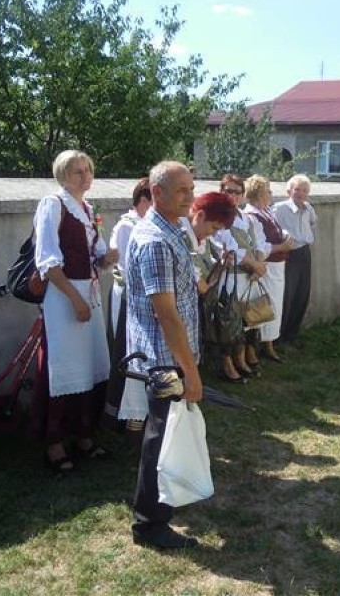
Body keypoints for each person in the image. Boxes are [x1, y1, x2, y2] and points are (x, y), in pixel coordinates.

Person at [125, 160, 202, 551]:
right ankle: (149, 525)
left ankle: (158, 511)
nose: (190, 196)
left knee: (164, 434)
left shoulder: (172, 229)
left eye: (191, 187)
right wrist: (190, 372)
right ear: (156, 193)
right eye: (182, 190)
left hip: (170, 355)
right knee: (159, 439)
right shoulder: (154, 239)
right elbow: (166, 314)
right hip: (164, 360)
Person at [33, 150, 118, 472]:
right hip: (64, 295)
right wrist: (75, 299)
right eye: (76, 172)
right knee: (64, 367)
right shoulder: (52, 205)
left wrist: (107, 258)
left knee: (90, 363)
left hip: (89, 294)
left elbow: (94, 258)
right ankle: (54, 443)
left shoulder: (86, 208)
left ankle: (84, 435)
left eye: (87, 170)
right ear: (62, 175)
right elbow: (48, 262)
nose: (84, 177)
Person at [103, 177, 151, 434]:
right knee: (124, 350)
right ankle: (118, 414)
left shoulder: (148, 225)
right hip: (127, 297)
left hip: (143, 298)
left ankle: (138, 412)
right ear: (144, 200)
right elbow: (126, 267)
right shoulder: (127, 225)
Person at [179, 192, 241, 383]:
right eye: (213, 227)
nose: (214, 233)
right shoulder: (181, 237)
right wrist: (218, 267)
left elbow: (205, 282)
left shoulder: (200, 238)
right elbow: (202, 286)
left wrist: (221, 263)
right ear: (200, 215)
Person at [213, 174, 269, 375]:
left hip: (250, 276)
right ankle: (228, 363)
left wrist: (260, 263)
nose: (233, 196)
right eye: (228, 191)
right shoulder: (217, 217)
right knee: (230, 318)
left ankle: (243, 356)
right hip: (231, 275)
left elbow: (261, 242)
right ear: (221, 191)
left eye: (237, 192)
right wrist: (254, 264)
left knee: (249, 317)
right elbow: (228, 249)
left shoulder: (247, 218)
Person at [243, 174, 295, 361]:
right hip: (267, 266)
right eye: (268, 191)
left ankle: (269, 344)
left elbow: (277, 230)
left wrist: (286, 236)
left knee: (275, 306)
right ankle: (259, 346)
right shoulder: (252, 215)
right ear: (258, 195)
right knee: (264, 305)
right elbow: (260, 246)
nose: (271, 194)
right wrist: (282, 247)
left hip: (277, 266)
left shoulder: (266, 211)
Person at [273, 174, 318, 344]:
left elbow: (313, 223)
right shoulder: (279, 208)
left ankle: (292, 334)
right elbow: (271, 228)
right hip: (288, 254)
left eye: (304, 190)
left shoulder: (308, 208)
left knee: (302, 292)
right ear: (289, 191)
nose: (301, 193)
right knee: (288, 294)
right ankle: (279, 336)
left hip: (304, 253)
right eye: (297, 189)